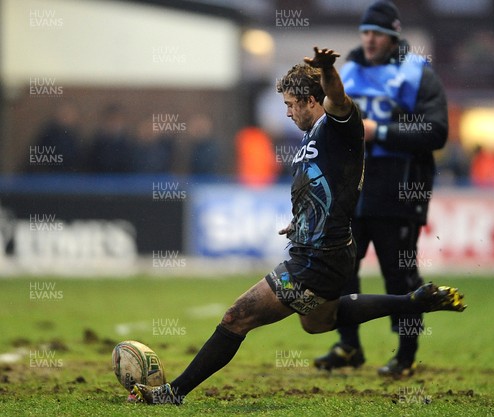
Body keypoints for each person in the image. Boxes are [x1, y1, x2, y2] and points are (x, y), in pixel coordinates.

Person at [130, 47, 465, 405]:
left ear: (310, 100)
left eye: (291, 105)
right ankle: (411, 301)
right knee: (319, 322)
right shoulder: (314, 136)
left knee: (236, 318)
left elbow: (336, 97)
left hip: (316, 259)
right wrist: (300, 221)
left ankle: (172, 393)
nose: (287, 113)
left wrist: (326, 70)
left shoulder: (339, 124)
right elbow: (325, 187)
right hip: (328, 251)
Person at [313, 1, 449, 378]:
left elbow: (437, 132)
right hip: (351, 189)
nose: (371, 39)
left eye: (379, 33)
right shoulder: (350, 70)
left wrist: (381, 131)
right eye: (366, 32)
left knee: (400, 276)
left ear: (394, 36)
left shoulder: (417, 72)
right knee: (340, 270)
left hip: (400, 189)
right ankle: (349, 345)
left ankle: (406, 356)